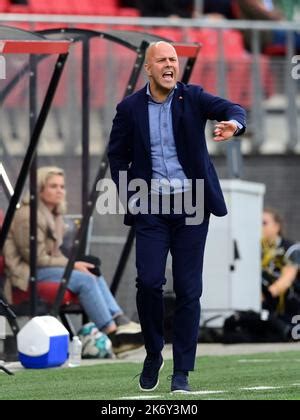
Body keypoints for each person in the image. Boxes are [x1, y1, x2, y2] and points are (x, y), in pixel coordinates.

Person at [108, 41, 246, 392]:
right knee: (150, 282)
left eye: (174, 59)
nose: (170, 65)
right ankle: (154, 351)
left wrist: (233, 124)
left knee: (188, 289)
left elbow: (232, 107)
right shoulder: (129, 108)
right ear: (149, 69)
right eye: (163, 60)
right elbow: (117, 156)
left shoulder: (193, 97)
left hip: (192, 206)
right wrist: (131, 197)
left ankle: (181, 371)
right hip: (151, 209)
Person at [3, 167, 142, 356]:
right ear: (40, 189)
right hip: (26, 274)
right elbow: (36, 259)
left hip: (43, 269)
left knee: (90, 271)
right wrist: (72, 265)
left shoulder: (54, 214)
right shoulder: (28, 216)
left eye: (62, 186)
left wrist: (75, 264)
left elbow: (53, 254)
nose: (60, 190)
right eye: (53, 186)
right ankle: (113, 336)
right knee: (85, 280)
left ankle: (120, 320)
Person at [262, 208, 300, 320]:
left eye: (264, 223)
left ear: (276, 226)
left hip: (290, 310)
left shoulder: (291, 248)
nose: (259, 226)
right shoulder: (256, 249)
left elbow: (287, 279)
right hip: (267, 309)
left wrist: (262, 298)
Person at [235, 0, 300, 51]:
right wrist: (275, 16)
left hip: (275, 29)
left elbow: (277, 13)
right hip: (261, 34)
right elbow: (266, 14)